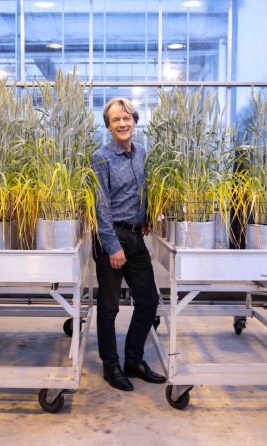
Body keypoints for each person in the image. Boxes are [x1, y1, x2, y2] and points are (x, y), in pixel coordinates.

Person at [90, 97, 166, 391]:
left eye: (127, 118)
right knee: (108, 307)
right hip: (112, 236)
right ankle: (111, 366)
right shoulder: (101, 157)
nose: (122, 123)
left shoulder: (141, 153)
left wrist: (146, 216)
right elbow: (101, 205)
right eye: (115, 120)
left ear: (134, 120)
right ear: (108, 126)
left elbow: (143, 189)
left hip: (136, 235)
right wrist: (112, 246)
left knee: (148, 301)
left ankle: (134, 360)